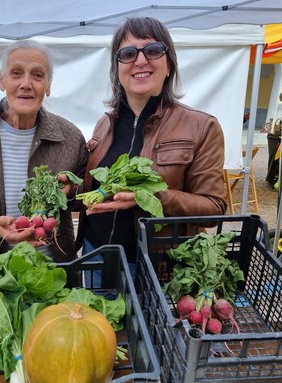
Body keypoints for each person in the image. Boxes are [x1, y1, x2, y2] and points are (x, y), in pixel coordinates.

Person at [75, 17, 228, 269]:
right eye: (128, 53)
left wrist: (149, 197)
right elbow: (99, 192)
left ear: (169, 65)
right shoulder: (105, 124)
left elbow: (213, 209)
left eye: (153, 50)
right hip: (96, 255)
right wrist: (73, 189)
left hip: (154, 265)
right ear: (117, 68)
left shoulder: (202, 126)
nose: (141, 60)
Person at [0, 40, 87, 263]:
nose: (26, 83)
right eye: (16, 73)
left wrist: (71, 192)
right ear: (1, 80)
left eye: (37, 75)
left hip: (51, 269)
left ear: (48, 86)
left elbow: (80, 199)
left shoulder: (71, 138)